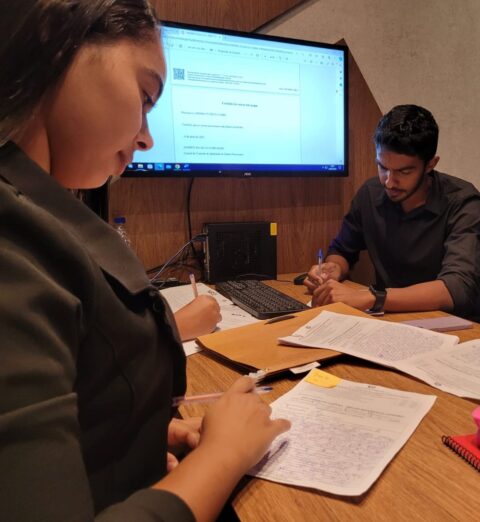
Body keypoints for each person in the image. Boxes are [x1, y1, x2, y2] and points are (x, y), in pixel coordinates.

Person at [0, 1, 289, 520]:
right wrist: (224, 458)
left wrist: (140, 434)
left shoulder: (37, 214)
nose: (147, 137)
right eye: (146, 96)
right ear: (55, 37)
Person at [304, 104, 480, 318]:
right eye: (383, 167)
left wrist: (374, 297)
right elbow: (343, 250)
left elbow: (457, 288)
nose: (389, 182)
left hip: (449, 325)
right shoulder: (370, 194)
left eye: (404, 171)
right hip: (388, 319)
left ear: (430, 164)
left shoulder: (464, 203)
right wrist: (332, 268)